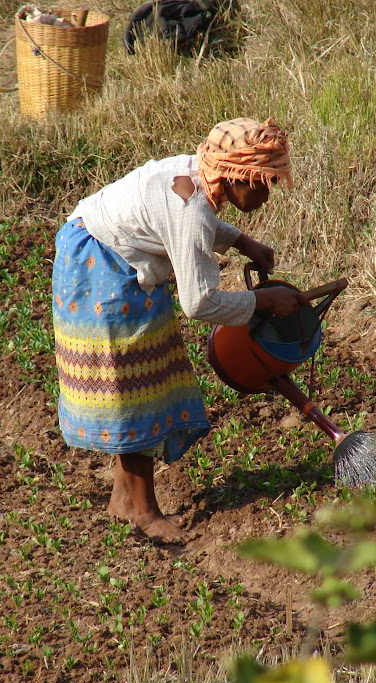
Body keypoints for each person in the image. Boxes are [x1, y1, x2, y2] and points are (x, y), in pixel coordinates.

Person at [52, 116, 305, 544]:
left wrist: (242, 242)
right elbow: (199, 302)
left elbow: (196, 219)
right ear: (234, 176)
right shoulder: (191, 210)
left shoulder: (196, 173)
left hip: (103, 251)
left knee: (144, 378)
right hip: (101, 268)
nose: (267, 192)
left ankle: (122, 500)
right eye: (262, 182)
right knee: (132, 389)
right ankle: (146, 514)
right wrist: (265, 301)